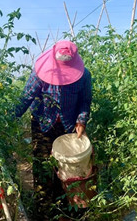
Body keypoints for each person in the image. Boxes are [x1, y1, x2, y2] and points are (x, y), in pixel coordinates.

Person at [14, 40, 92, 220]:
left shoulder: (84, 76)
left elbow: (84, 101)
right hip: (43, 124)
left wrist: (81, 121)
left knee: (66, 169)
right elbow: (25, 99)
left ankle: (64, 209)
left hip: (68, 126)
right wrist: (7, 119)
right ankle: (44, 212)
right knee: (42, 169)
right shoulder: (39, 74)